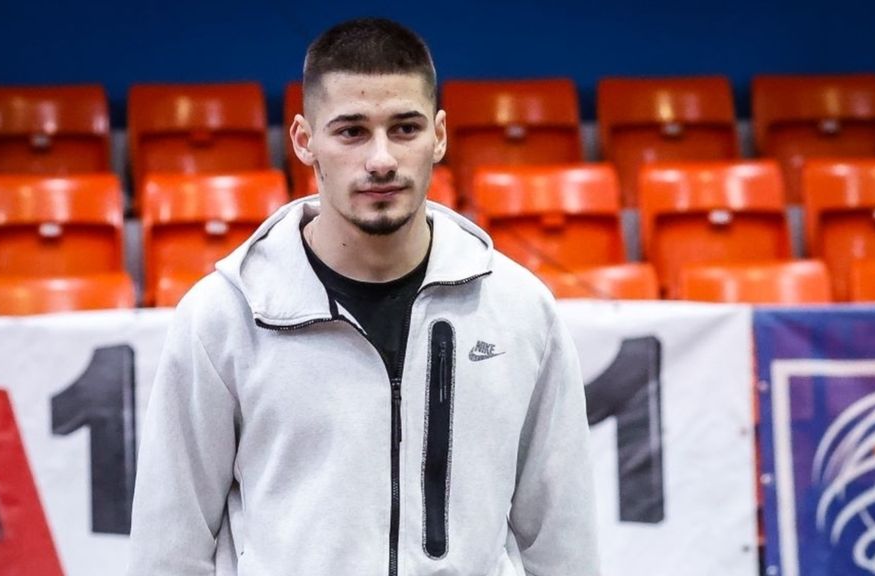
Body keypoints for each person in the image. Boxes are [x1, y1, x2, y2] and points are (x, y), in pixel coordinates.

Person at [128, 18, 598, 576]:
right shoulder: (224, 317)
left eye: (405, 128)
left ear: (439, 136)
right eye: (351, 131)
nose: (381, 159)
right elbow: (169, 545)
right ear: (305, 141)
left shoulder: (518, 310)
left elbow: (562, 537)